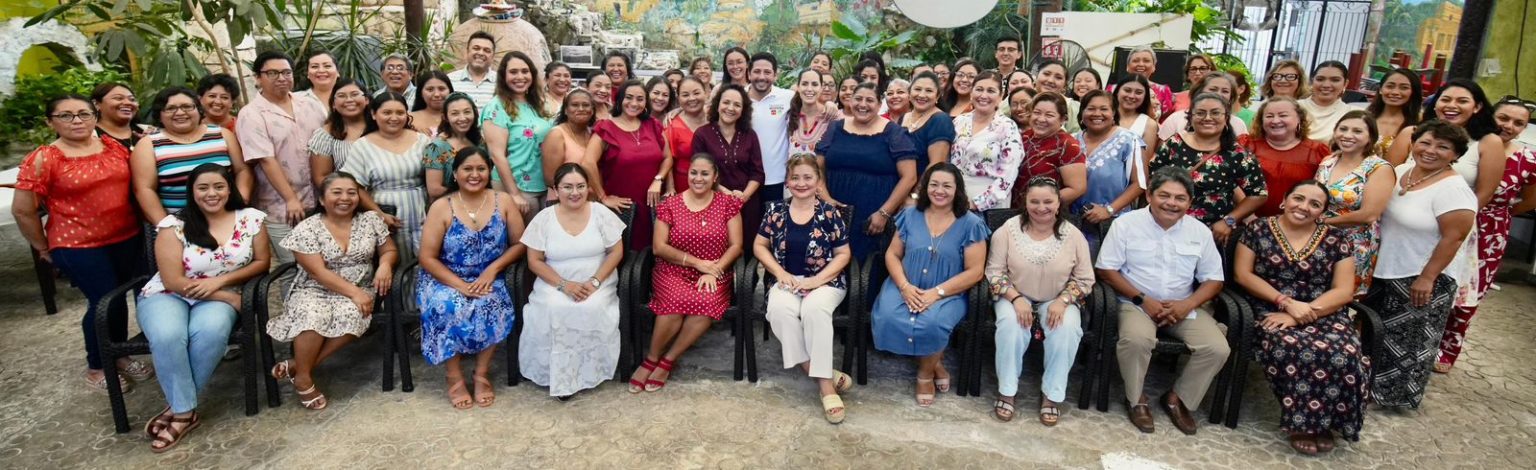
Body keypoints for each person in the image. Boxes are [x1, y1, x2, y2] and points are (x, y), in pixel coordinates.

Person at [13, 95, 151, 393]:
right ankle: (97, 364)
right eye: (66, 116)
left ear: (94, 116)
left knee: (121, 298)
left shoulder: (112, 146)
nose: (76, 121)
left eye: (83, 114)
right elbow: (23, 210)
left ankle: (118, 354)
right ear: (50, 122)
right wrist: (42, 247)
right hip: (77, 243)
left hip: (125, 237)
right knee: (103, 302)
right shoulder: (45, 158)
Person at [136, 164, 271, 452]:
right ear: (192, 192)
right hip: (169, 293)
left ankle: (177, 408)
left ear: (229, 189)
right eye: (203, 188)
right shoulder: (174, 225)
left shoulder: (250, 219)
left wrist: (220, 283)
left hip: (220, 290)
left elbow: (262, 263)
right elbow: (172, 280)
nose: (212, 194)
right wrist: (224, 296)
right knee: (169, 335)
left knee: (209, 333)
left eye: (219, 187)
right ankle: (185, 413)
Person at [1232, 180, 1368, 455]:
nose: (1304, 207)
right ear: (1284, 200)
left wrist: (1301, 314)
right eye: (1299, 198)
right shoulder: (1258, 229)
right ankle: (1303, 424)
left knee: (1346, 351)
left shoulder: (1336, 240)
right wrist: (1284, 303)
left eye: (1315, 204)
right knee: (1297, 348)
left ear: (1323, 212)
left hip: (1322, 311)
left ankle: (1327, 422)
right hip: (1268, 306)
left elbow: (1344, 291)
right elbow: (1242, 275)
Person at [1095, 166, 1228, 435]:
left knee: (1217, 348)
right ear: (1150, 196)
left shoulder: (1199, 231)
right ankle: (1136, 399)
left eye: (1180, 198)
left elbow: (1214, 279)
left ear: (1189, 202)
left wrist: (1187, 305)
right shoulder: (1126, 224)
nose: (1171, 203)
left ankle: (1178, 398)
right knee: (1136, 340)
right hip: (1135, 303)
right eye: (1164, 195)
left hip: (1182, 306)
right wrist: (1143, 300)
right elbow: (1106, 269)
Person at [1366, 120, 1476, 409]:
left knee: (1408, 341)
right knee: (1378, 330)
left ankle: (1394, 397)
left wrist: (1428, 277)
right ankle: (1365, 385)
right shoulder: (1403, 171)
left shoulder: (1454, 189)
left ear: (1456, 154)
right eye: (1425, 142)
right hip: (1386, 266)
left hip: (1422, 274)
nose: (1431, 150)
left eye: (1443, 147)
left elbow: (1454, 237)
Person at [266, 173, 399, 410]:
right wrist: (353, 293)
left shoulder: (370, 220)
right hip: (314, 288)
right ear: (322, 199)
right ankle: (305, 378)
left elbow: (389, 250)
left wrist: (386, 265)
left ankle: (300, 366)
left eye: (351, 192)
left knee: (354, 313)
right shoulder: (307, 227)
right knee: (312, 315)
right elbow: (317, 272)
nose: (345, 198)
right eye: (336, 193)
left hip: (361, 285)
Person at [870, 164, 990, 406]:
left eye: (947, 185)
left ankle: (924, 374)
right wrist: (904, 286)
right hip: (905, 284)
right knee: (887, 316)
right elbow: (892, 255)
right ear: (925, 188)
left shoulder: (971, 223)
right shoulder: (910, 215)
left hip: (948, 292)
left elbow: (976, 271)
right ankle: (936, 363)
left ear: (958, 190)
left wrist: (937, 293)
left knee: (932, 323)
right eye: (934, 184)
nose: (939, 190)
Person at [627, 154, 745, 392]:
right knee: (675, 302)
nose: (698, 178)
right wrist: (695, 263)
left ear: (715, 177)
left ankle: (668, 360)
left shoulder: (728, 204)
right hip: (674, 269)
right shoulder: (670, 205)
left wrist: (715, 270)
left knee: (707, 300)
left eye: (704, 173)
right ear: (687, 174)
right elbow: (660, 247)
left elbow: (736, 246)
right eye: (693, 173)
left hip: (714, 269)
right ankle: (651, 358)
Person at [417, 147, 524, 408]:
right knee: (449, 304)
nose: (474, 174)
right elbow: (427, 257)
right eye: (467, 169)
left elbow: (520, 244)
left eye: (481, 169)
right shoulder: (442, 206)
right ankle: (453, 375)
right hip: (445, 276)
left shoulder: (503, 201)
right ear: (455, 173)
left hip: (489, 274)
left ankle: (481, 373)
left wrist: (493, 269)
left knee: (491, 301)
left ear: (489, 172)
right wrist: (461, 286)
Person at [753, 154, 855, 424]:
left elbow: (843, 254)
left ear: (818, 181)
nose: (801, 183)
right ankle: (822, 372)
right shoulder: (775, 211)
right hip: (786, 279)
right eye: (795, 177)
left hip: (826, 281)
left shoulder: (830, 213)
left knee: (813, 310)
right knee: (779, 312)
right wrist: (779, 272)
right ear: (787, 180)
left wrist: (816, 280)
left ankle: (826, 388)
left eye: (808, 177)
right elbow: (759, 246)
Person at [986, 177, 1093, 425]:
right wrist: (1015, 298)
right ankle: (1007, 391)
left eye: (1048, 201)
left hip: (1057, 299)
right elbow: (994, 272)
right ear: (1025, 202)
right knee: (1012, 327)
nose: (1041, 207)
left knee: (1066, 329)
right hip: (1013, 296)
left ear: (1058, 203)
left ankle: (1052, 394)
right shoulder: (1008, 230)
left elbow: (1086, 278)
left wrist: (1063, 301)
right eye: (1034, 201)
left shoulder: (1073, 235)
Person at [1439, 98, 1536, 371]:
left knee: (1471, 290)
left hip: (1490, 230)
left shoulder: (1527, 159)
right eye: (1503, 118)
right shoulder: (1469, 144)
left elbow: (1530, 200)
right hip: (1449, 218)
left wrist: (1501, 214)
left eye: (1519, 123)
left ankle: (1448, 350)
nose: (1509, 126)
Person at [521, 163, 626, 399]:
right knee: (556, 306)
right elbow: (534, 261)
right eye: (567, 187)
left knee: (591, 306)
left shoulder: (601, 213)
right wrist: (564, 285)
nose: (574, 192)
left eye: (580, 186)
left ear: (589, 188)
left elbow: (616, 252)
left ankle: (588, 372)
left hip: (597, 278)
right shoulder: (544, 218)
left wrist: (595, 282)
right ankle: (558, 376)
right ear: (556, 190)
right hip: (554, 280)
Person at [239, 51, 327, 265]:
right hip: (281, 207)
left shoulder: (310, 104)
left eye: (286, 72)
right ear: (258, 77)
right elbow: (266, 159)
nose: (281, 78)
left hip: (319, 202)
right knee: (292, 267)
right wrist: (290, 198)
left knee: (324, 265)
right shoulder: (251, 114)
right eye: (273, 73)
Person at [1149, 93, 1267, 244]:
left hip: (1208, 233)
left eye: (1215, 113)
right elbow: (1153, 176)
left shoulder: (1236, 154)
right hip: (1163, 226)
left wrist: (1229, 221)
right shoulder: (1174, 143)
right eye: (1200, 113)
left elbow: (1259, 193)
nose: (1208, 118)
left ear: (1226, 118)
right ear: (1190, 117)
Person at [818, 82, 919, 258]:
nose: (862, 104)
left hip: (873, 216)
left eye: (869, 100)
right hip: (833, 211)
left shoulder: (894, 133)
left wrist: (884, 213)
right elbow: (817, 167)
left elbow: (909, 177)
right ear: (850, 101)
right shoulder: (836, 127)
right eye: (858, 99)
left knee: (867, 270)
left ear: (880, 105)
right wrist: (827, 201)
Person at [132, 87, 253, 225]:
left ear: (198, 109)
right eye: (170, 108)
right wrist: (167, 226)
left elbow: (242, 170)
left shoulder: (223, 134)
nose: (180, 112)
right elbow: (144, 189)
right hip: (179, 224)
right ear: (159, 114)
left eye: (187, 106)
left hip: (228, 218)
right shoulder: (148, 145)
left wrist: (241, 202)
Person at [1316, 110, 1394, 296]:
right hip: (1320, 239)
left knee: (1343, 297)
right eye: (1343, 129)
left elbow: (1369, 215)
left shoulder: (1378, 168)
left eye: (1357, 131)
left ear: (1370, 138)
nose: (1348, 135)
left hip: (1353, 245)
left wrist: (1320, 222)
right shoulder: (1329, 161)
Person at [588, 79, 671, 251]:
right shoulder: (606, 127)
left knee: (653, 253)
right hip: (623, 207)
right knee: (622, 254)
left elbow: (667, 157)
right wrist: (603, 197)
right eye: (629, 97)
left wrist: (658, 179)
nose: (634, 103)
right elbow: (587, 163)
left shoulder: (653, 125)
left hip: (653, 204)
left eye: (640, 99)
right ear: (619, 100)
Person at [341, 92, 431, 253]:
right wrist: (378, 213)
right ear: (374, 114)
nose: (394, 118)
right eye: (387, 112)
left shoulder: (422, 141)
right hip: (385, 217)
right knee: (393, 263)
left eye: (400, 112)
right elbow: (354, 186)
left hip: (422, 212)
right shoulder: (362, 146)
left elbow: (434, 178)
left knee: (425, 262)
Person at [483, 51, 554, 219]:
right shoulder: (496, 107)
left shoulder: (538, 104)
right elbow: (497, 155)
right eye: (513, 72)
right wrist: (514, 194)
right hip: (517, 186)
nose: (520, 76)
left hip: (543, 184)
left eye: (525, 71)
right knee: (523, 241)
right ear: (503, 76)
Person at [1243, 96, 1332, 217]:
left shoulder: (1318, 152)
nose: (1275, 120)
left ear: (1299, 119)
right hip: (1245, 219)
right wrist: (1247, 215)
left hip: (1297, 222)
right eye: (1269, 116)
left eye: (1283, 115)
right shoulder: (1245, 145)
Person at [693, 84, 765, 231]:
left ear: (743, 110)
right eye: (726, 102)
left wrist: (743, 196)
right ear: (717, 104)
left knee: (746, 248)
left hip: (747, 204)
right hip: (712, 202)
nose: (730, 108)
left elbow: (757, 173)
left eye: (737, 105)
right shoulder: (702, 134)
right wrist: (724, 193)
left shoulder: (750, 135)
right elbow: (698, 173)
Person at [948, 71, 1022, 211]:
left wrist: (977, 204)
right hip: (956, 199)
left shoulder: (1007, 127)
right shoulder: (959, 121)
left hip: (991, 201)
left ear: (1000, 96)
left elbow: (1009, 174)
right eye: (979, 89)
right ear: (971, 93)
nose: (983, 95)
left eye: (991, 91)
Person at [1073, 90, 1147, 229]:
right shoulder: (1071, 141)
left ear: (1113, 113)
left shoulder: (1129, 140)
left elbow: (1140, 183)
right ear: (1082, 113)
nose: (1097, 113)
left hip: (1113, 223)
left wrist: (1108, 210)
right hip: (1072, 221)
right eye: (1091, 109)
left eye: (1104, 109)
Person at [1018, 92, 1089, 210]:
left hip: (1044, 214)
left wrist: (1040, 205)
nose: (1041, 119)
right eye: (1036, 113)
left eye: (1049, 115)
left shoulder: (1067, 145)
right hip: (1012, 211)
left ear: (1063, 119)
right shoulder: (1024, 137)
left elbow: (1077, 188)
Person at [747, 52, 794, 204]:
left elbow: (813, 104)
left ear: (775, 75)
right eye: (757, 71)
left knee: (774, 226)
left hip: (777, 178)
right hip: (745, 179)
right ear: (749, 73)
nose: (762, 77)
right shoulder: (737, 97)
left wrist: (829, 104)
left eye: (767, 72)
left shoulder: (788, 97)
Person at [308, 79, 370, 189]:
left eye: (354, 94)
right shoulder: (325, 135)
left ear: (366, 100)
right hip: (347, 199)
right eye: (341, 96)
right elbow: (322, 178)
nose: (349, 100)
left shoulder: (382, 127)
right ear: (333, 105)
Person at [423, 93, 487, 200]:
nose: (462, 118)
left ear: (475, 113)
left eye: (467, 112)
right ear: (446, 117)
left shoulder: (480, 142)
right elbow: (434, 190)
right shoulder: (436, 147)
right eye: (455, 113)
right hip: (448, 207)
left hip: (481, 203)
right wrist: (470, 191)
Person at [1159, 72, 1250, 141]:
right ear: (1200, 91)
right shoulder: (1176, 119)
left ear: (1231, 96)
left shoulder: (1238, 124)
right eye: (1213, 89)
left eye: (1225, 91)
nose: (1218, 94)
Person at [540, 89, 596, 201]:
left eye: (586, 105)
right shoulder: (556, 135)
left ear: (592, 110)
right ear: (565, 110)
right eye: (575, 105)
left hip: (590, 202)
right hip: (563, 202)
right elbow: (550, 179)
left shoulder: (593, 134)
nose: (581, 109)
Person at [896, 72, 955, 173]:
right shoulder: (903, 117)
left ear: (937, 97)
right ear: (909, 93)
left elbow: (936, 165)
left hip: (923, 184)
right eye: (917, 89)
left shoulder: (940, 120)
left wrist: (918, 189)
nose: (922, 95)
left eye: (929, 91)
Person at [1365, 68, 1423, 157]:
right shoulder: (1364, 118)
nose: (1395, 92)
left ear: (1413, 92)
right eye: (1390, 86)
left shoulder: (1421, 123)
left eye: (1404, 88)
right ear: (1380, 89)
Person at [1298, 61, 1351, 141]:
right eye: (1320, 79)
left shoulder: (1351, 113)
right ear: (1312, 81)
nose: (1326, 85)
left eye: (1335, 80)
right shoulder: (1294, 107)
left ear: (1345, 84)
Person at [1117, 46, 1175, 120]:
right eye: (1135, 61)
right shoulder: (1113, 89)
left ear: (1154, 67)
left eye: (1146, 61)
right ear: (1127, 66)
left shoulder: (1163, 90)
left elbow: (1166, 120)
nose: (1141, 64)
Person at [788, 69, 836, 156]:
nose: (809, 89)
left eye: (814, 84)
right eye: (804, 84)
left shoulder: (832, 116)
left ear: (821, 88)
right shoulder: (788, 116)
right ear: (798, 87)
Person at [1113, 74, 1159, 163]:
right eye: (1127, 90)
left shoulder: (1149, 124)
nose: (1131, 96)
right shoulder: (1103, 115)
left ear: (1145, 96)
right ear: (1118, 91)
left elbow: (1143, 162)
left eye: (1138, 92)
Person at [449, 31, 499, 109]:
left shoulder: (501, 81)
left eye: (487, 50)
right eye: (476, 48)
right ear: (467, 51)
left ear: (492, 56)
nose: (481, 53)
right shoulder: (450, 80)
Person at [1031, 60, 1082, 133]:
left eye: (1058, 77)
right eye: (1046, 74)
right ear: (1036, 76)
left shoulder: (1074, 108)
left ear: (1065, 85)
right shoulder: (1019, 99)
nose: (1051, 80)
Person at [91, 82, 144, 148]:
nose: (128, 103)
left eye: (132, 99)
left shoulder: (148, 131)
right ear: (96, 104)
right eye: (118, 98)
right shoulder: (89, 135)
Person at [409, 71, 454, 137]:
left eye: (441, 89)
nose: (437, 94)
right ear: (420, 93)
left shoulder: (460, 118)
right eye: (430, 89)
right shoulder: (409, 119)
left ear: (450, 91)